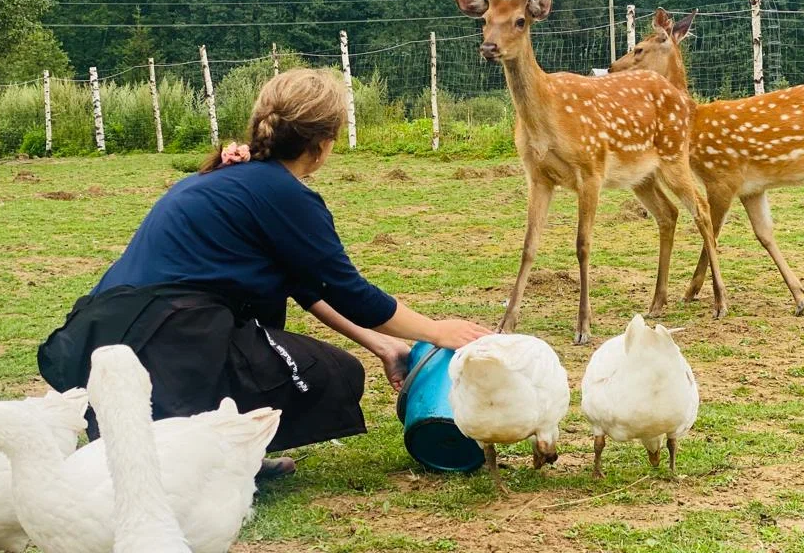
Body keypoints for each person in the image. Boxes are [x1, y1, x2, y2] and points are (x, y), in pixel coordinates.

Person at [38, 68, 492, 478]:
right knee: (333, 375)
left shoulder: (230, 178)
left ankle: (217, 451)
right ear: (322, 144)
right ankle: (208, 457)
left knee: (273, 341)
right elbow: (353, 293)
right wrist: (437, 330)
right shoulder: (283, 193)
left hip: (104, 341)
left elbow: (306, 284)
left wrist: (381, 343)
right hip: (169, 344)